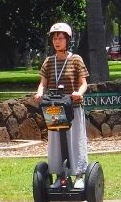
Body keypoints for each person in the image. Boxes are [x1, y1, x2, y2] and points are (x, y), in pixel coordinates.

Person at [33, 23, 90, 189]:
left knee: (75, 140)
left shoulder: (76, 59)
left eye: (60, 38)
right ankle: (60, 175)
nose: (57, 41)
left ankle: (79, 175)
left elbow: (84, 83)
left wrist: (79, 93)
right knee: (56, 142)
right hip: (55, 108)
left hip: (73, 107)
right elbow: (43, 83)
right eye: (54, 38)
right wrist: (39, 93)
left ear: (67, 40)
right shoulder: (49, 62)